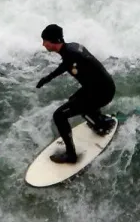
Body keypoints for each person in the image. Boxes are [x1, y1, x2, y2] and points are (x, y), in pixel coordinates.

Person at [35, 23, 116, 164]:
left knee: (59, 116)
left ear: (53, 41)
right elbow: (66, 65)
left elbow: (70, 64)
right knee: (75, 100)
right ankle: (100, 123)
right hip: (103, 87)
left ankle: (71, 156)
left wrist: (86, 98)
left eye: (45, 41)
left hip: (101, 92)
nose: (43, 44)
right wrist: (47, 79)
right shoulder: (71, 48)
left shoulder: (71, 55)